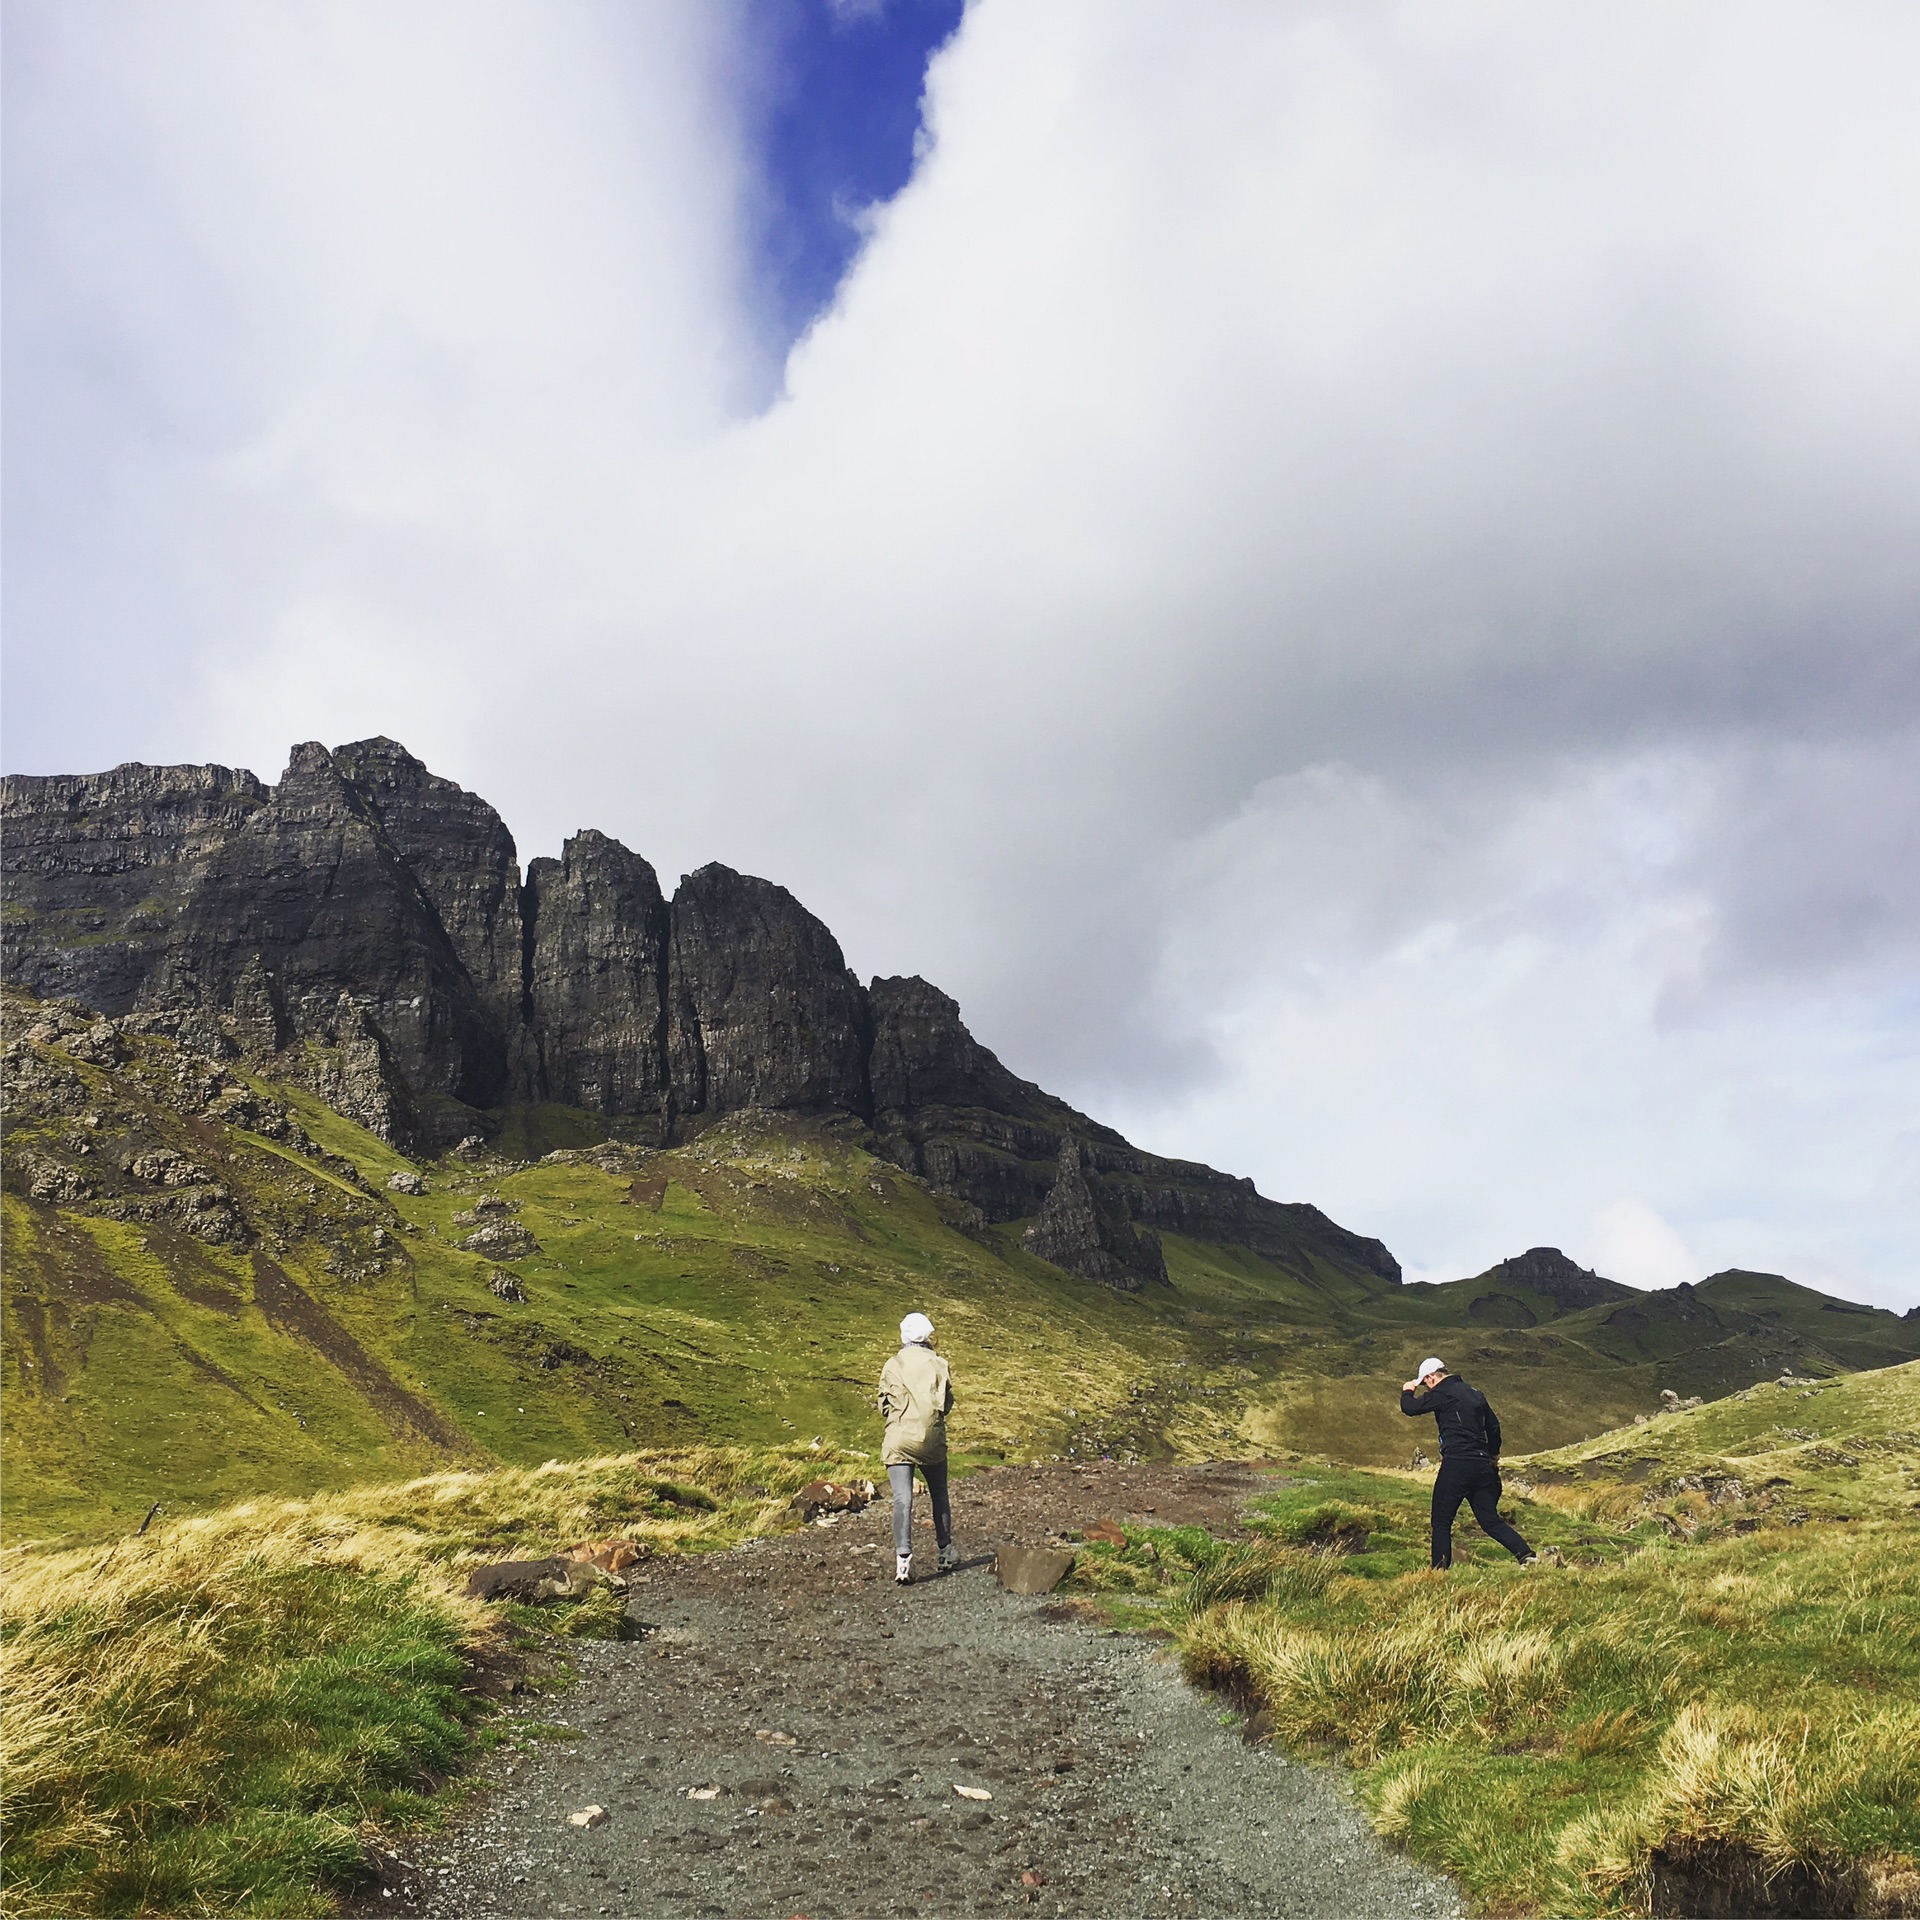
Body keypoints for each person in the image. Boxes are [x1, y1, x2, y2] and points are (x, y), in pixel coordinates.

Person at [1399, 1357, 1535, 1569]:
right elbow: (1494, 1427)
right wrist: (1493, 1455)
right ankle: (1527, 1556)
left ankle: (1439, 1572)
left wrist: (1408, 1390)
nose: (1427, 1388)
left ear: (1431, 1377)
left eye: (1425, 1383)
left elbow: (1410, 1407)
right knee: (1490, 1520)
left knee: (1442, 1522)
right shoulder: (1475, 1393)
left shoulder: (1442, 1392)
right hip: (1482, 1465)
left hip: (1457, 1464)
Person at [878, 1311, 956, 1585]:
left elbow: (883, 1405)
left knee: (902, 1498)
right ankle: (945, 1551)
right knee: (939, 1493)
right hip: (931, 1438)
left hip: (898, 1438)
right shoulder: (939, 1363)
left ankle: (903, 1562)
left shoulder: (892, 1364)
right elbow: (946, 1403)